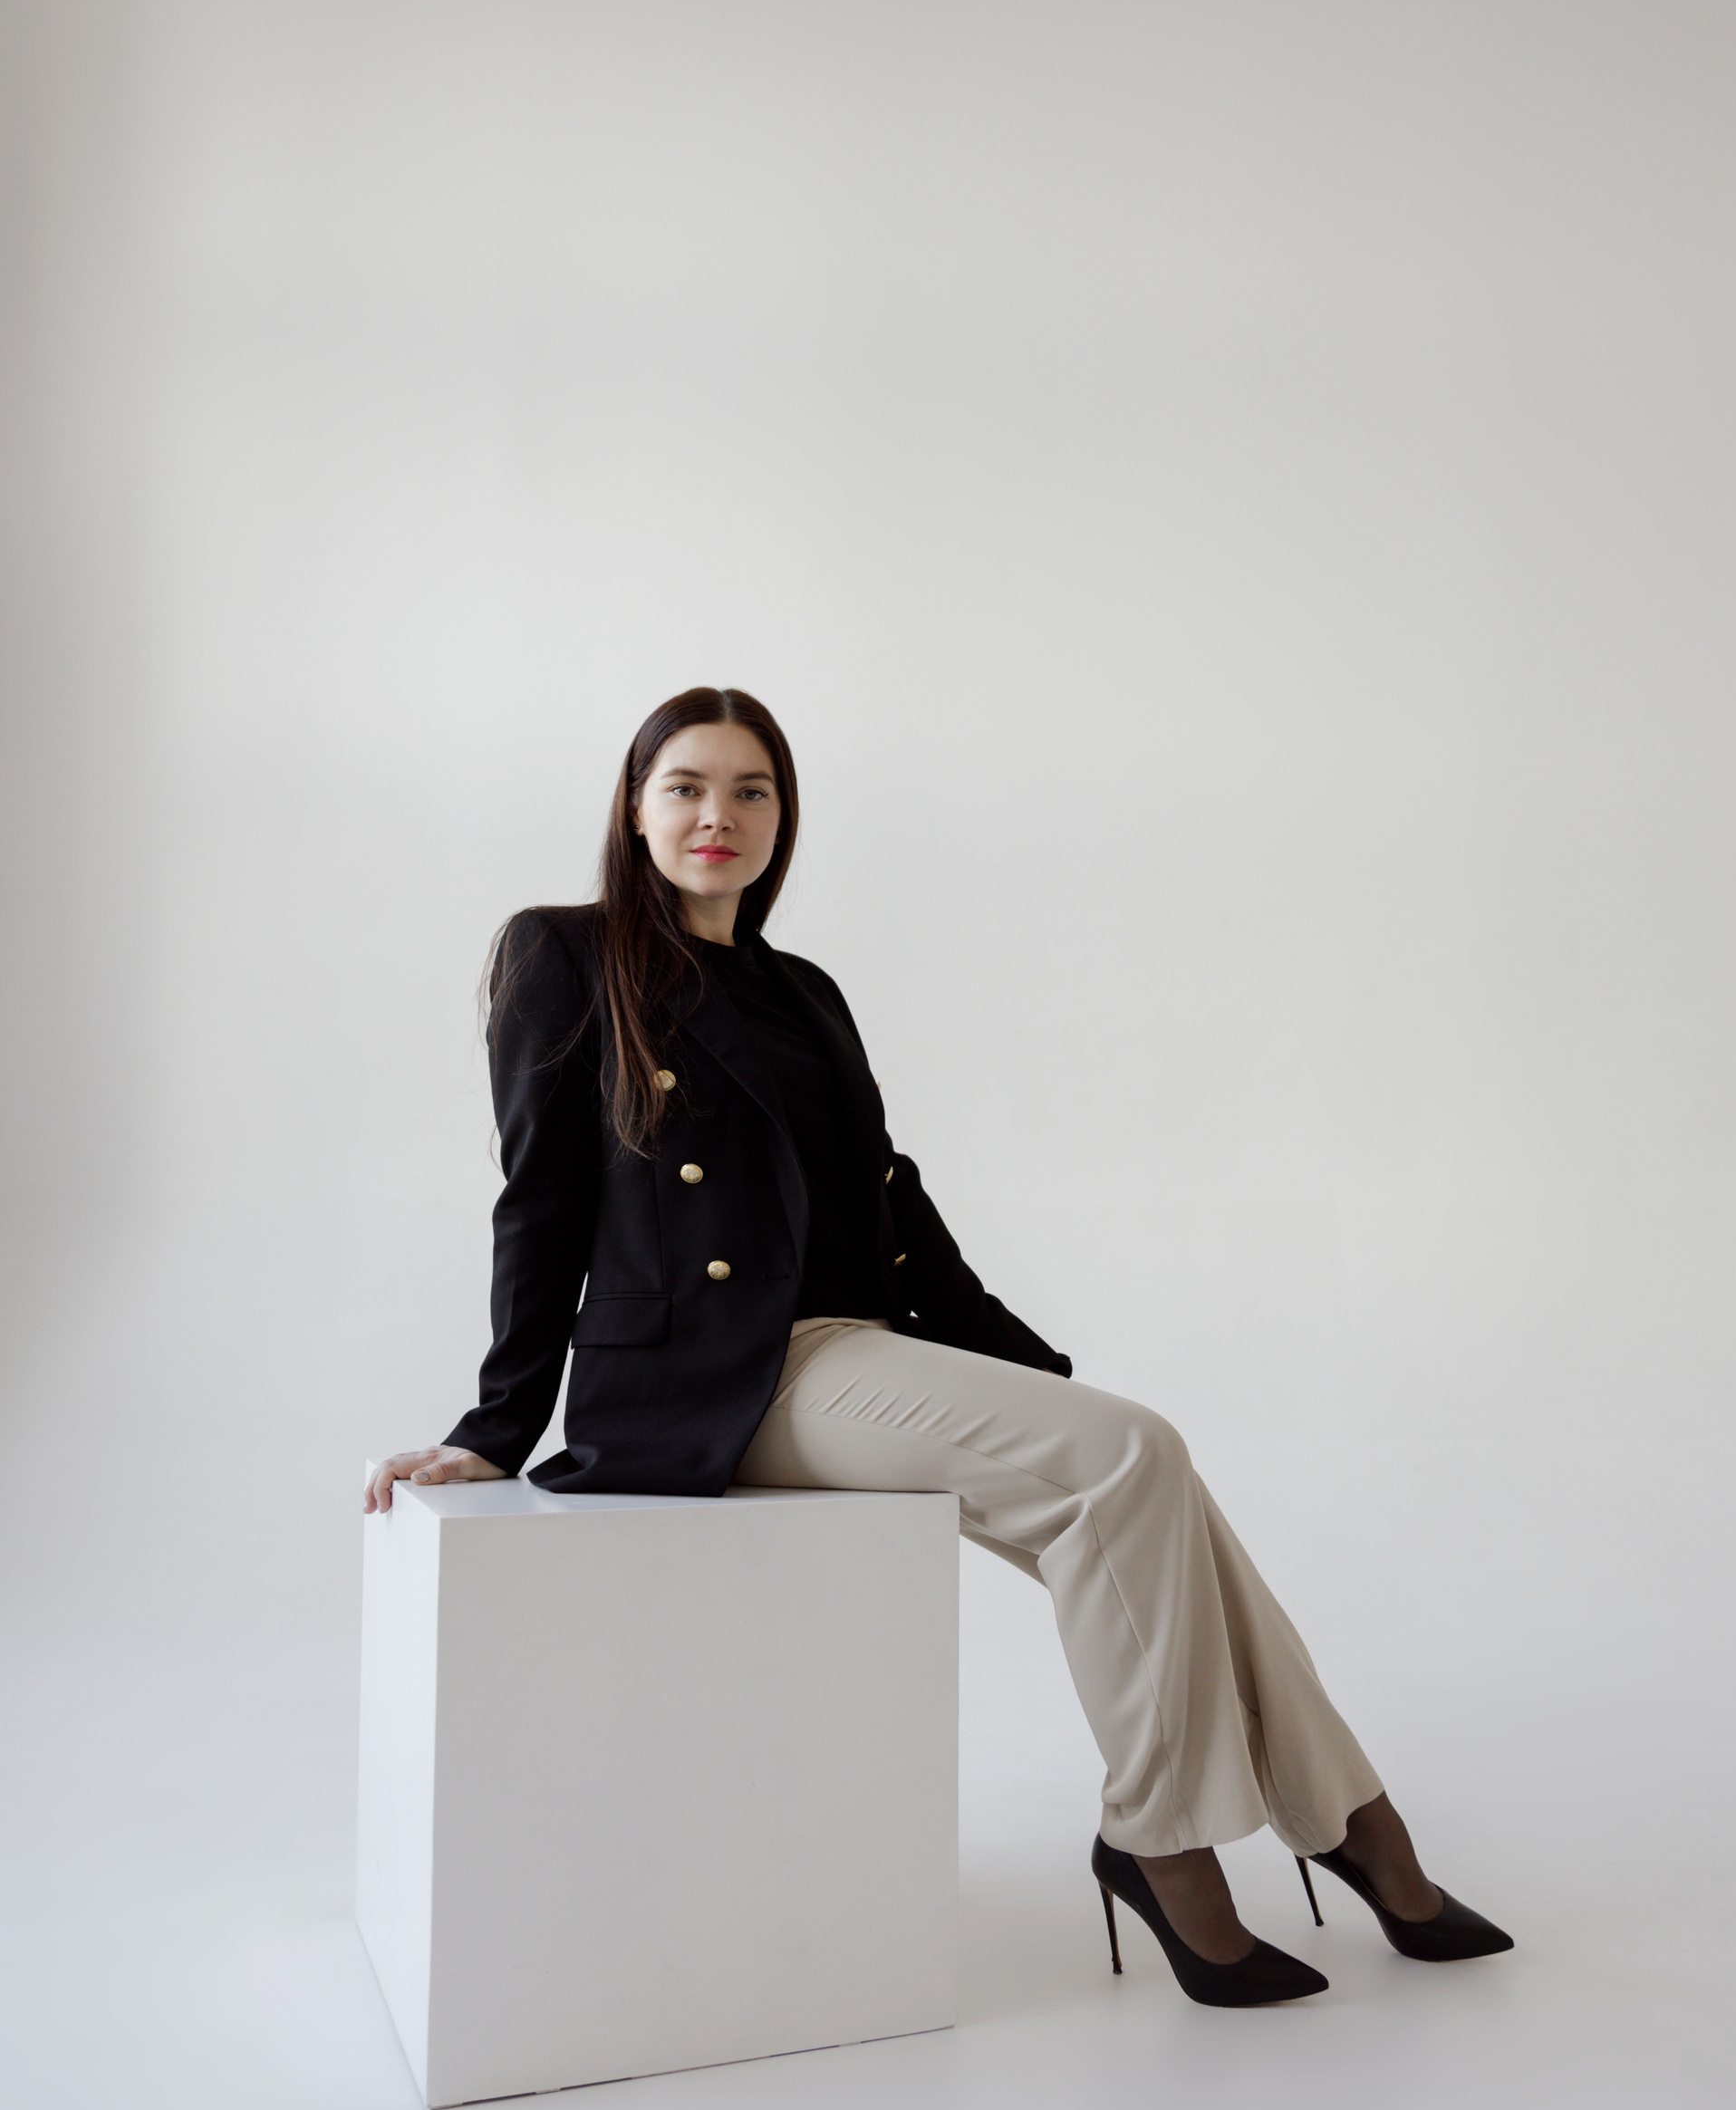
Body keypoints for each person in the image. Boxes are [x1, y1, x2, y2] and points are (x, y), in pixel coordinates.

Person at [366, 686, 1511, 2007]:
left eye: (750, 790)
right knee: (1132, 1459)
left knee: (1157, 1487)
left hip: (852, 1349)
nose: (717, 814)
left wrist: (1028, 1375)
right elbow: (541, 1199)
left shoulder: (803, 991)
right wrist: (493, 1427)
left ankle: (1354, 1820)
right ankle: (1168, 1839)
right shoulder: (564, 954)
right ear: (634, 808)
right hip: (715, 1377)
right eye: (684, 786)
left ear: (783, 818)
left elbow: (890, 1202)